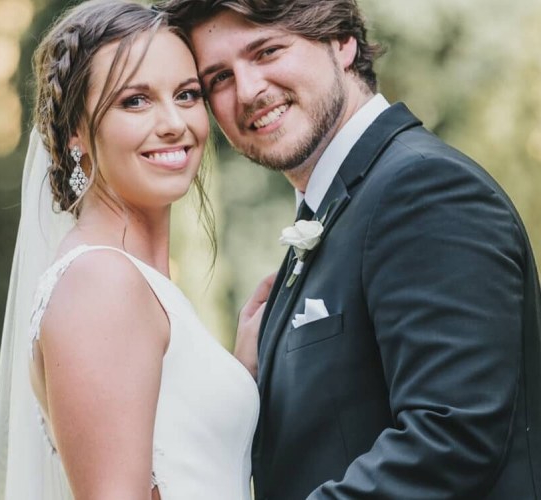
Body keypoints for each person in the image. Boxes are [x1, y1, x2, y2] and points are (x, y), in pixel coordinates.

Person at [162, 0, 541, 499]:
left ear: (342, 41)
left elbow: (450, 439)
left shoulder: (424, 189)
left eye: (267, 51)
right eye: (219, 79)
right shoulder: (334, 211)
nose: (248, 91)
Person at [0, 1, 272, 499]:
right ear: (76, 130)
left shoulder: (130, 281)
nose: (173, 123)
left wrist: (236, 377)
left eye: (187, 94)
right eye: (135, 101)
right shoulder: (100, 282)